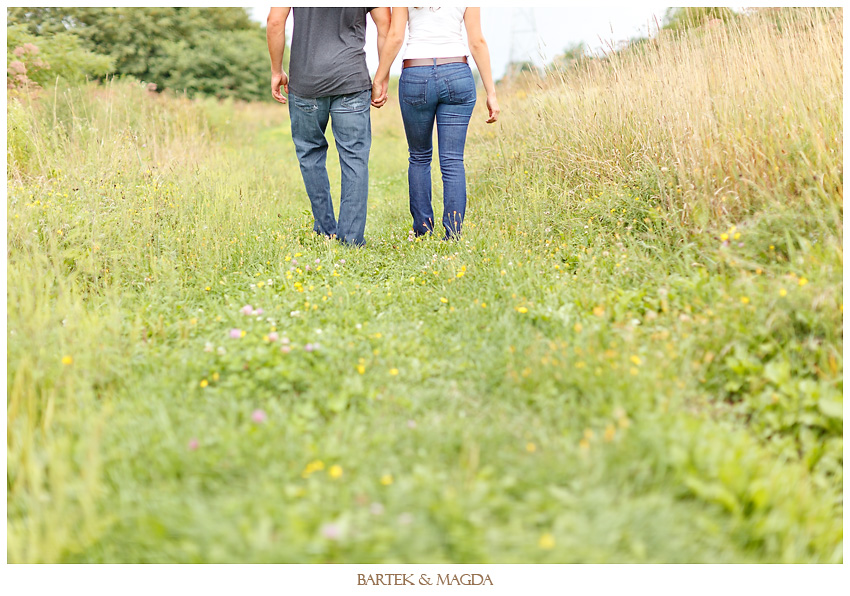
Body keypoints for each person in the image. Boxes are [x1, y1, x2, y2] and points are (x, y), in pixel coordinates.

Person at [371, 7, 500, 240]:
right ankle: (453, 233)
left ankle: (423, 230)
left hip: (416, 73)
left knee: (419, 156)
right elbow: (477, 42)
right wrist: (491, 92)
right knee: (453, 160)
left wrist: (379, 78)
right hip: (457, 73)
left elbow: (396, 36)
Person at [267, 7, 391, 246]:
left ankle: (325, 231)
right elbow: (385, 25)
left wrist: (276, 70)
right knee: (355, 158)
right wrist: (382, 76)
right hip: (352, 80)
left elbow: (275, 22)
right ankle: (352, 239)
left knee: (310, 153)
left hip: (306, 83)